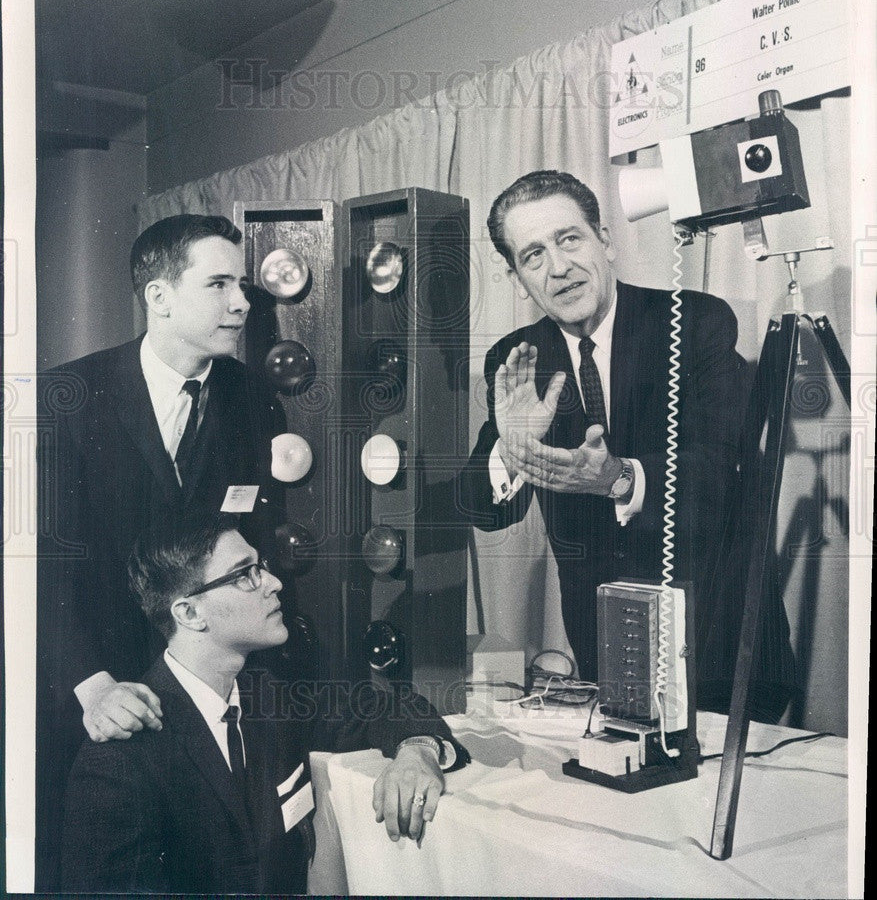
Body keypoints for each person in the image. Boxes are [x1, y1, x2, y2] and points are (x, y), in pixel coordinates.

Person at [459, 170, 795, 719]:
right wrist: (510, 450)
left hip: (721, 643)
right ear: (518, 277)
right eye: (533, 255)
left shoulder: (698, 323)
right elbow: (478, 507)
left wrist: (618, 477)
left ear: (606, 242)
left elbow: (715, 474)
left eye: (570, 239)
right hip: (607, 653)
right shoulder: (516, 356)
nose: (559, 267)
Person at [36, 214, 284, 885]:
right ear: (159, 296)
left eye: (243, 284)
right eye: (219, 284)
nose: (241, 302)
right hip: (91, 689)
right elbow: (35, 572)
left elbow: (251, 550)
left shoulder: (252, 400)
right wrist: (91, 688)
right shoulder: (65, 398)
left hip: (201, 688)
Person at [61, 513, 464, 893]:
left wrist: (418, 751)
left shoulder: (271, 698)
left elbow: (388, 707)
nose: (273, 583)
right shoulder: (118, 764)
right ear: (189, 612)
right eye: (245, 575)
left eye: (261, 566)